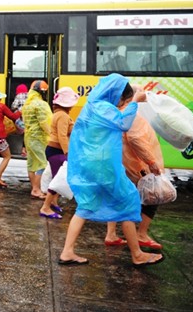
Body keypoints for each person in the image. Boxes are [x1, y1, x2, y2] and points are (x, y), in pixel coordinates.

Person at [59, 73, 164, 267]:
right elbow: (124, 123)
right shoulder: (104, 108)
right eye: (123, 99)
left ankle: (67, 251)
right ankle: (137, 254)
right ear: (116, 95)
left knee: (85, 206)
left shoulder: (92, 106)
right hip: (103, 167)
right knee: (128, 201)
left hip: (88, 166)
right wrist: (135, 101)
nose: (122, 103)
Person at [104, 85, 165, 250]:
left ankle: (111, 234)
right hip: (136, 166)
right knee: (153, 197)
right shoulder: (132, 115)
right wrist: (152, 163)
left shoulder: (115, 113)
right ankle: (141, 236)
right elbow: (136, 140)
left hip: (120, 164)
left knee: (117, 197)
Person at [39, 87, 79, 219]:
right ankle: (45, 207)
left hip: (53, 150)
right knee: (59, 179)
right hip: (57, 150)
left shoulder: (58, 114)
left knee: (58, 177)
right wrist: (67, 152)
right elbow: (62, 136)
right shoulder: (63, 116)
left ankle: (53, 202)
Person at [21, 80, 52, 199]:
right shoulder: (40, 104)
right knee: (42, 164)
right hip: (39, 138)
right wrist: (52, 135)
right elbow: (45, 123)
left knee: (31, 164)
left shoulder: (27, 104)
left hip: (29, 138)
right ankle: (36, 189)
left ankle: (34, 188)